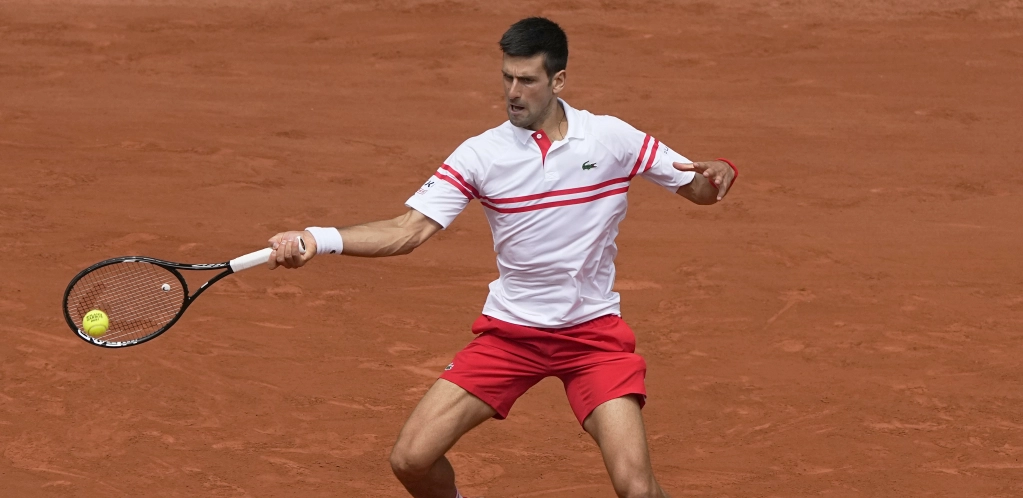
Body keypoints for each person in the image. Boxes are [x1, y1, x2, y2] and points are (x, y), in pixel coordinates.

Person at [267, 17, 736, 498]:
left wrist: (720, 172)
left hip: (592, 338)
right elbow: (408, 231)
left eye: (527, 80)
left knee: (636, 488)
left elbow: (700, 190)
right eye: (507, 77)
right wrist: (317, 238)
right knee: (411, 459)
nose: (513, 92)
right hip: (512, 336)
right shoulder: (481, 154)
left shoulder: (611, 138)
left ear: (558, 81)